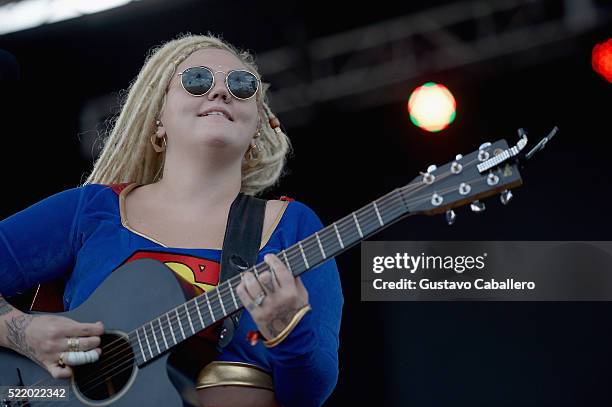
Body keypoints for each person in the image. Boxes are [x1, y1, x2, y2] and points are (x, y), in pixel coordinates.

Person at [0, 33, 344, 407]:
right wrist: (22, 332)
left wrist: (287, 331)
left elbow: (310, 393)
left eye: (241, 85)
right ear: (158, 117)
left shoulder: (293, 226)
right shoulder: (90, 210)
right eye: (197, 80)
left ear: (258, 127)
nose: (220, 92)